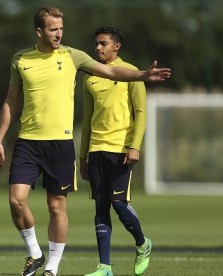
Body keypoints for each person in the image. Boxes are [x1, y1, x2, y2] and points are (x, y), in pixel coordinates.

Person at [0, 6, 169, 276]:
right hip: (28, 141)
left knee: (60, 206)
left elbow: (111, 72)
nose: (59, 34)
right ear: (39, 31)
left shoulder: (73, 56)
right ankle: (35, 253)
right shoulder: (20, 59)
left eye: (61, 28)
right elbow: (11, 101)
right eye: (53, 29)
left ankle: (52, 267)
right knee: (17, 200)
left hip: (62, 145)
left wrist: (142, 75)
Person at [79, 27, 151, 276]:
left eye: (103, 44)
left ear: (116, 46)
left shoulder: (131, 73)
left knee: (119, 204)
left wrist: (135, 145)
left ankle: (142, 244)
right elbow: (87, 118)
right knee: (100, 206)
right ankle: (105, 267)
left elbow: (141, 112)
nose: (97, 48)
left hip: (121, 149)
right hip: (96, 150)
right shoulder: (90, 77)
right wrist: (82, 156)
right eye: (96, 44)